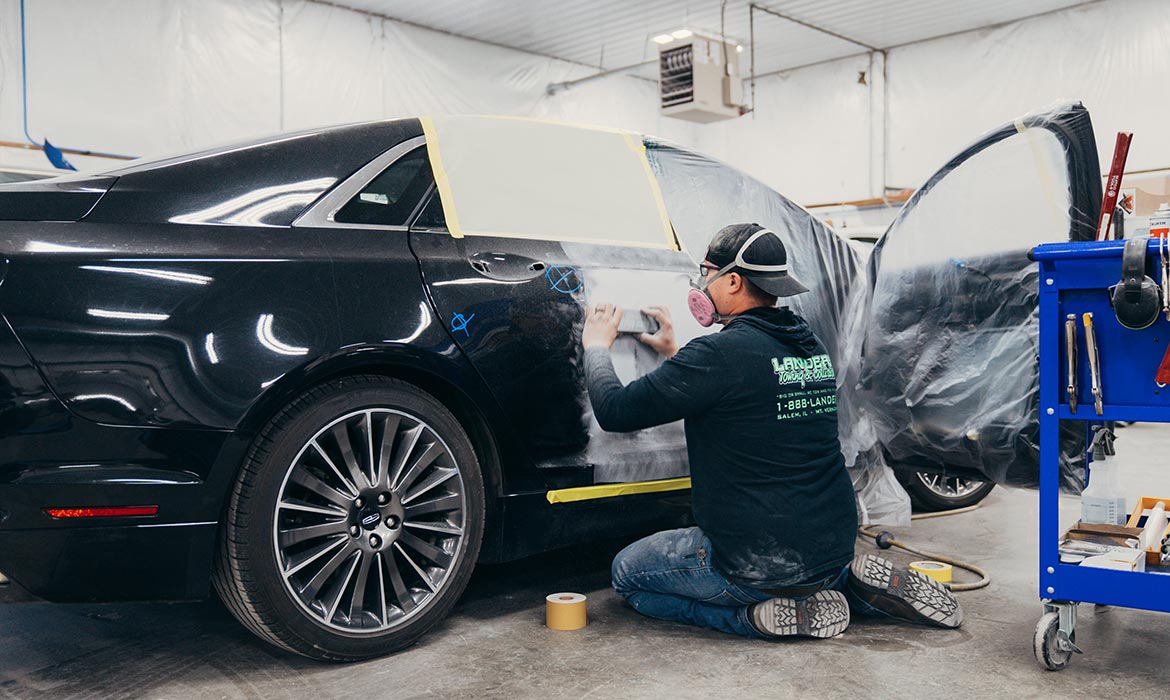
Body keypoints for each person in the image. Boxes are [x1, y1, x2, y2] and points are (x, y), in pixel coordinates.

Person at [580, 223, 962, 640]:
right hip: (833, 544)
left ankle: (751, 617)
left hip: (756, 561)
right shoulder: (807, 344)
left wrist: (597, 346)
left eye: (706, 271)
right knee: (811, 572)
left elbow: (615, 411)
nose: (701, 283)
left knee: (628, 578)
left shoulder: (717, 355)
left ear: (732, 280)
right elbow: (748, 391)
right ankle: (850, 590)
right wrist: (675, 356)